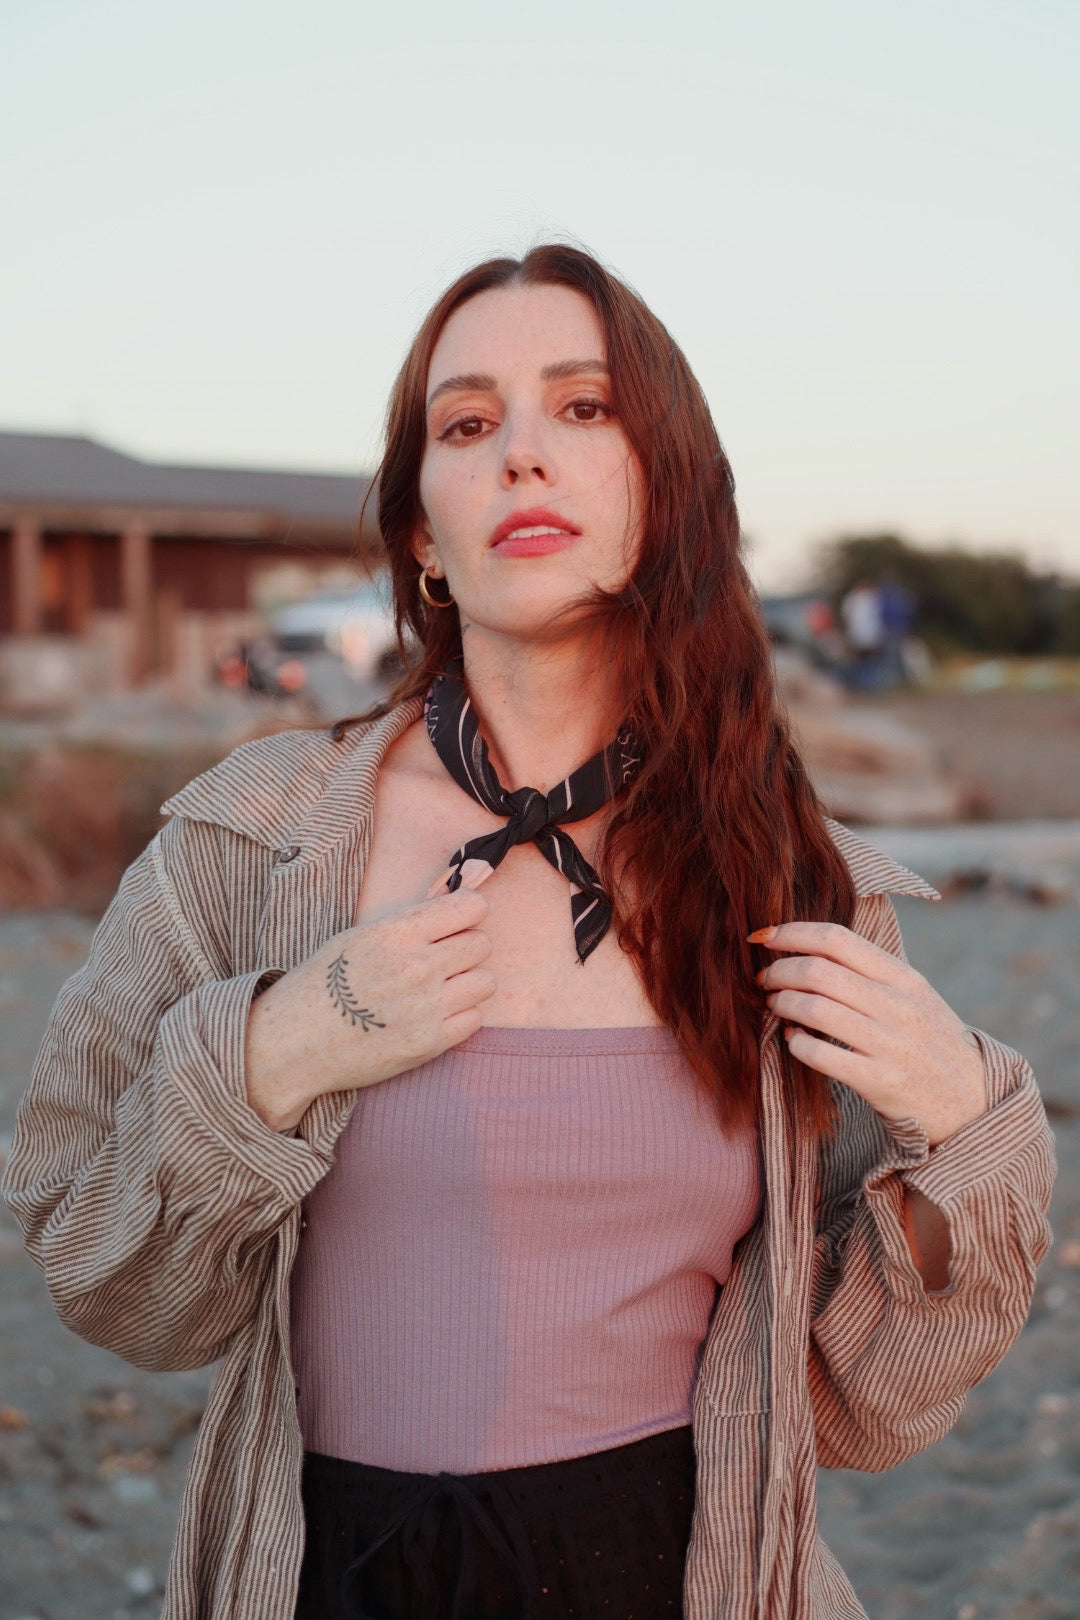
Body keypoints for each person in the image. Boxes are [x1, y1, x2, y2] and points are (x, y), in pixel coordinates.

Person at [2, 245, 1055, 1620]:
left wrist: (966, 1130)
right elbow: (103, 1279)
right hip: (324, 1578)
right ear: (421, 536)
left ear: (664, 489)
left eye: (584, 407)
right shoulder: (246, 842)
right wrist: (270, 1055)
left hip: (679, 1578)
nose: (522, 455)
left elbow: (865, 1408)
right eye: (466, 424)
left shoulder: (787, 876)